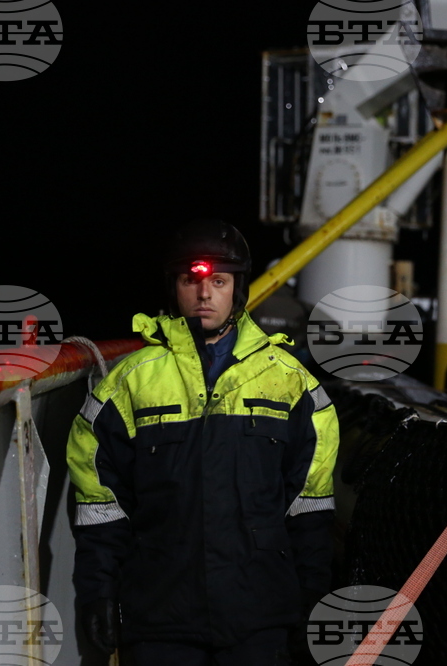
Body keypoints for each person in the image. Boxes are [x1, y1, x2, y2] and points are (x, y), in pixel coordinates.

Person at [66, 220, 339, 664]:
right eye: (190, 279)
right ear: (173, 287)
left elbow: (310, 508)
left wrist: (311, 599)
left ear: (239, 289)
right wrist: (97, 594)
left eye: (219, 280)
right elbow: (100, 506)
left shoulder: (292, 384)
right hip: (159, 615)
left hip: (260, 614)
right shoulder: (128, 384)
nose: (204, 293)